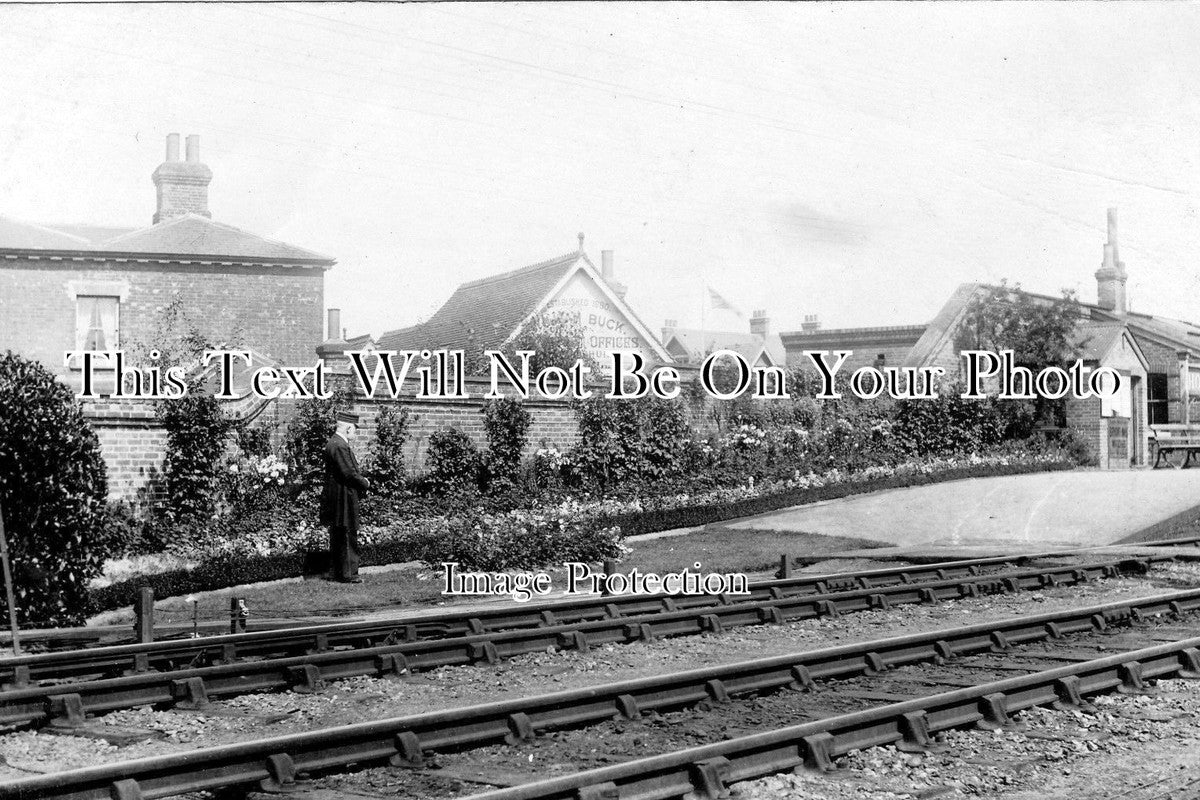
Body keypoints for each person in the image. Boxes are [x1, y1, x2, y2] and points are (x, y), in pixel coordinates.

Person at [319, 411, 371, 583]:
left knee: (338, 533)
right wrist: (365, 482)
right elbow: (349, 473)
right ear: (348, 428)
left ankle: (337, 572)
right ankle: (349, 574)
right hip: (344, 496)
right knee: (347, 533)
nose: (355, 433)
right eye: (354, 429)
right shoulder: (340, 445)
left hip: (336, 495)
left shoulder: (333, 443)